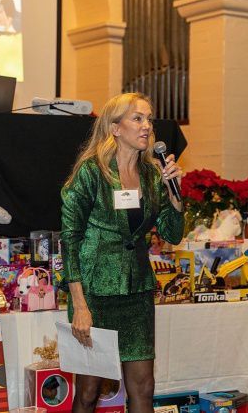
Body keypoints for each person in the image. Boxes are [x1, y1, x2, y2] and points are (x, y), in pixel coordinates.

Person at [61, 92, 184, 413]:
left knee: (144, 386)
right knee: (89, 391)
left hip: (137, 292)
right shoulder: (92, 172)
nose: (147, 126)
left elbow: (172, 234)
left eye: (149, 119)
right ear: (115, 128)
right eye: (137, 118)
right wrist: (79, 305)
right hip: (95, 294)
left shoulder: (153, 175)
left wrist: (174, 194)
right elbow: (70, 240)